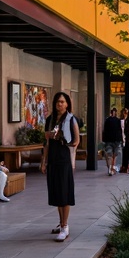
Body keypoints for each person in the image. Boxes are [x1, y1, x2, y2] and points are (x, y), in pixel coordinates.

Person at [40, 91, 78, 240]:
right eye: (57, 102)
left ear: (67, 103)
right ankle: (61, 223)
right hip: (53, 159)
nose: (59, 104)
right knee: (56, 192)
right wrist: (44, 161)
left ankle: (65, 225)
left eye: (62, 102)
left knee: (64, 192)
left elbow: (76, 141)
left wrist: (61, 138)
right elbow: (46, 143)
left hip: (64, 158)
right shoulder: (50, 119)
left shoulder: (70, 119)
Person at [101, 108, 122, 176]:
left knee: (109, 155)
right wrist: (121, 139)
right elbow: (120, 130)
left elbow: (104, 130)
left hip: (108, 140)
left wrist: (104, 139)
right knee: (114, 155)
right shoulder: (118, 120)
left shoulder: (107, 120)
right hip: (116, 140)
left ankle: (110, 168)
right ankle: (112, 168)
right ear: (115, 113)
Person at [118, 107, 129, 173]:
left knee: (128, 152)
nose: (125, 114)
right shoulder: (122, 121)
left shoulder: (128, 121)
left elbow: (128, 130)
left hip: (127, 138)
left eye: (126, 113)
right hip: (124, 138)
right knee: (125, 152)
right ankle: (125, 165)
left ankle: (128, 165)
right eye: (124, 113)